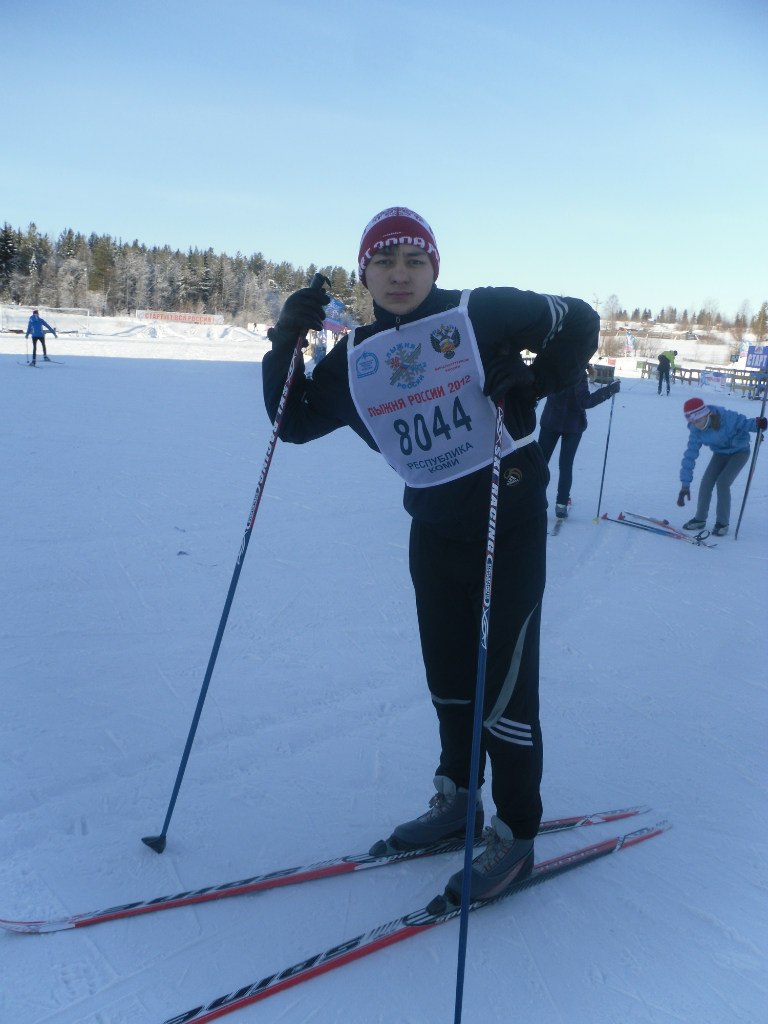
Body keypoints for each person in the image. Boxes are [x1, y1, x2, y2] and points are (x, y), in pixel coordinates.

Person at [261, 207, 599, 902]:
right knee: (448, 671)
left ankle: (516, 833)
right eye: (384, 262)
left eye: (414, 260)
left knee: (504, 681)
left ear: (435, 265)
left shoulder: (485, 311)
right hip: (435, 524)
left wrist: (532, 382)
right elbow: (291, 423)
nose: (400, 274)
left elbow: (581, 321)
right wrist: (284, 343)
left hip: (509, 514)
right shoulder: (355, 355)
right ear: (364, 274)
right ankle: (457, 801)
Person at [676, 397, 766, 537]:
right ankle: (700, 519)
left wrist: (758, 424)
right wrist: (685, 485)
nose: (696, 424)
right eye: (692, 421)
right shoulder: (696, 431)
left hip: (740, 452)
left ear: (706, 414)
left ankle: (722, 523)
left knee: (723, 483)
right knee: (706, 482)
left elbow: (745, 424)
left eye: (698, 420)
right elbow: (690, 456)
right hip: (720, 454)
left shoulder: (726, 417)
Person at [537, 370, 621, 519]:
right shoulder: (577, 372)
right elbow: (585, 402)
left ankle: (535, 501)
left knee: (541, 463)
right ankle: (561, 504)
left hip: (551, 421)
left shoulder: (553, 366)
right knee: (564, 465)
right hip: (572, 425)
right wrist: (609, 391)